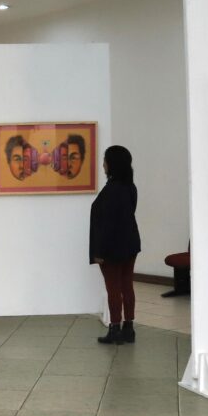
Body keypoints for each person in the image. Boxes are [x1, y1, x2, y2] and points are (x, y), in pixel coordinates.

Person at [90, 145, 141, 345]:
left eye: (105, 160)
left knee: (113, 288)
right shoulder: (130, 187)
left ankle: (115, 329)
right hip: (130, 242)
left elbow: (107, 224)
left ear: (112, 163)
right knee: (127, 285)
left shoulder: (112, 190)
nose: (103, 164)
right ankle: (128, 328)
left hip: (111, 246)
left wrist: (99, 251)